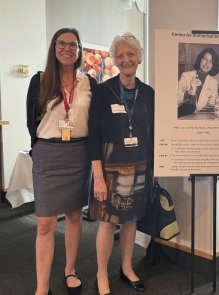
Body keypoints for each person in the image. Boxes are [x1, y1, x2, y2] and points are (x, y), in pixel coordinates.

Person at [26, 28, 97, 295]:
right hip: (48, 154)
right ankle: (42, 287)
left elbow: (95, 123)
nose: (67, 48)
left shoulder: (90, 82)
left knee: (75, 214)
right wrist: (39, 149)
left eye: (73, 44)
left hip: (79, 155)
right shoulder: (40, 80)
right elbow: (31, 120)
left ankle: (70, 269)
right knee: (45, 223)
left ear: (79, 51)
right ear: (54, 47)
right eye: (62, 43)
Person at [88, 32, 154, 295]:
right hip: (110, 167)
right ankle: (101, 273)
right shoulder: (104, 91)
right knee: (108, 221)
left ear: (138, 58)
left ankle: (126, 267)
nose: (126, 59)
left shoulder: (148, 93)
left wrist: (154, 169)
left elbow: (154, 133)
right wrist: (98, 177)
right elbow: (94, 134)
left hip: (139, 165)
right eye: (121, 55)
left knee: (131, 220)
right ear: (115, 60)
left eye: (131, 54)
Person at [177, 47, 219, 118]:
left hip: (199, 116)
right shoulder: (185, 75)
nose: (207, 63)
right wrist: (189, 92)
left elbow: (214, 104)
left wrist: (215, 103)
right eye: (205, 59)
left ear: (213, 65)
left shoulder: (213, 82)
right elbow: (175, 100)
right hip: (180, 113)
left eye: (211, 61)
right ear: (200, 59)